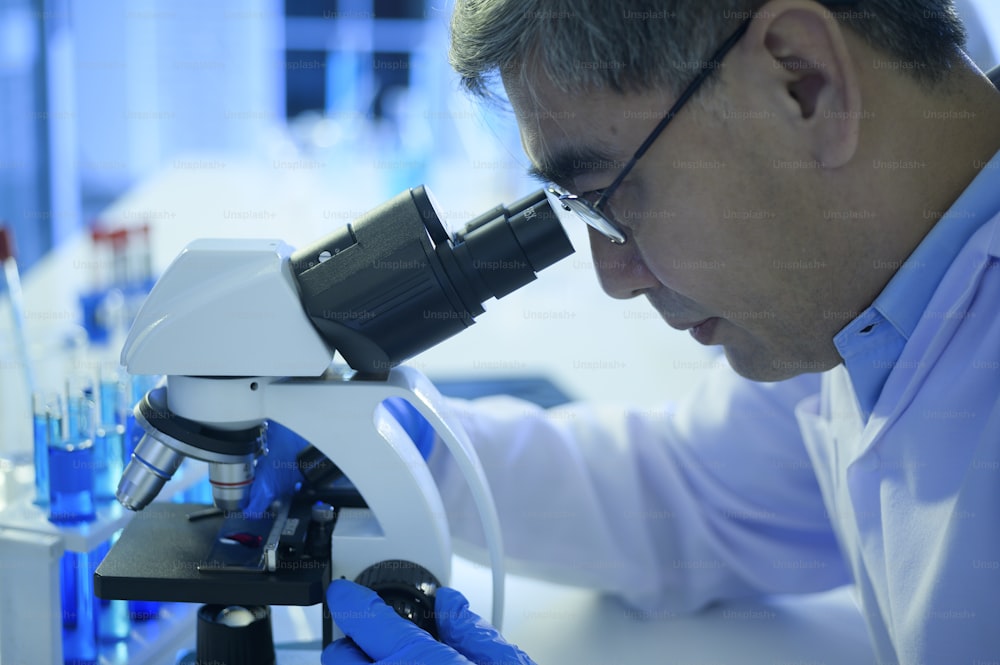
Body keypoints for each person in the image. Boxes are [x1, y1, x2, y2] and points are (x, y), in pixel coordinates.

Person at [255, 1, 1000, 662]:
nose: (617, 277)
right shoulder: (859, 295)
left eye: (611, 196)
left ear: (802, 82)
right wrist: (398, 446)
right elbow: (696, 493)